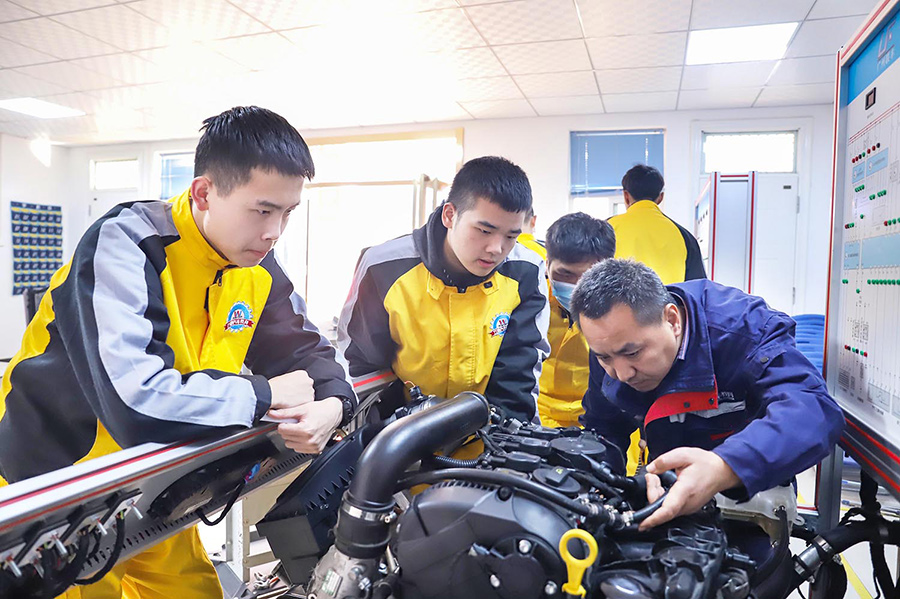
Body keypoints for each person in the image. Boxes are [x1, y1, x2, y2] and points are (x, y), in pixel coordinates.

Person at [0, 106, 356, 598]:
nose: (275, 231)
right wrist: (264, 394)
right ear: (204, 193)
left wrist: (334, 405)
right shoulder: (127, 242)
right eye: (262, 210)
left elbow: (308, 351)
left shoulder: (255, 266)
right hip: (62, 493)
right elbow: (137, 402)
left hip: (153, 485)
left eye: (287, 213)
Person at [572, 259, 843, 535]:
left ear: (672, 321)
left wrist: (725, 466)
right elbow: (604, 427)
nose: (621, 373)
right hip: (667, 491)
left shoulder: (745, 330)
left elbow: (813, 410)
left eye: (633, 354)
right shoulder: (611, 343)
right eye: (604, 358)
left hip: (748, 492)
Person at [338, 156, 549, 424]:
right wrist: (393, 434)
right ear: (450, 215)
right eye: (484, 231)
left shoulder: (526, 271)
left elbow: (517, 378)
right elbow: (362, 367)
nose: (496, 249)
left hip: (490, 436)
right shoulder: (383, 267)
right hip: (399, 434)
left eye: (511, 236)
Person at [537, 212, 614, 427]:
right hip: (537, 416)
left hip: (600, 417)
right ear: (547, 264)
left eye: (589, 276)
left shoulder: (623, 309)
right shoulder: (529, 300)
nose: (576, 285)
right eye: (565, 274)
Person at [610, 165, 705, 284]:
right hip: (667, 296)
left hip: (616, 297)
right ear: (660, 197)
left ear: (626, 196)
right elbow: (697, 288)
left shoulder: (607, 229)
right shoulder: (684, 236)